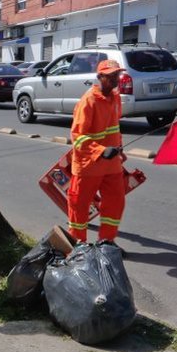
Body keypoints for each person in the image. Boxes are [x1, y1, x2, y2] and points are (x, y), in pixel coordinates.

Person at [68, 59, 126, 244]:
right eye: (110, 76)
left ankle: (107, 242)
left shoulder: (116, 98)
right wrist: (100, 150)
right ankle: (78, 245)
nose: (115, 79)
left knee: (116, 202)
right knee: (79, 206)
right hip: (88, 166)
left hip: (111, 164)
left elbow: (114, 127)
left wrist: (119, 147)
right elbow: (78, 136)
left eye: (117, 75)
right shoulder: (89, 100)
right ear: (100, 77)